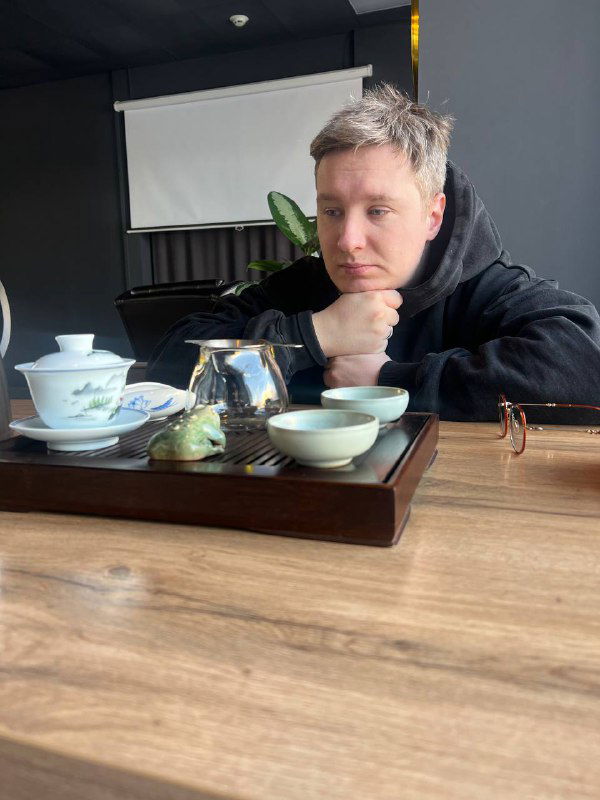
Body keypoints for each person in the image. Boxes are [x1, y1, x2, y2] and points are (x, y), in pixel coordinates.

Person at [147, 84, 600, 420]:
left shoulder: (489, 288)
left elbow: (583, 366)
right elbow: (169, 359)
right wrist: (313, 335)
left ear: (432, 216)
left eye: (378, 211)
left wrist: (390, 381)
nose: (347, 240)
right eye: (332, 211)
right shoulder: (305, 285)